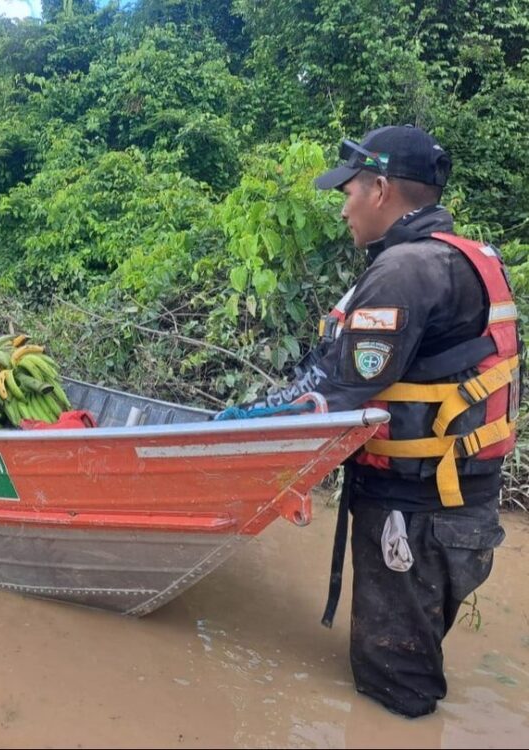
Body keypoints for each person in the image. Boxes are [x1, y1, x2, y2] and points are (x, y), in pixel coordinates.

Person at [216, 126, 514, 718]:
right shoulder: (466, 257)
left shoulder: (405, 270)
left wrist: (240, 428)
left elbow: (339, 391)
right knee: (405, 668)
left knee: (395, 691)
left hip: (415, 511)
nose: (344, 207)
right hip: (455, 506)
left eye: (348, 191)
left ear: (380, 189)